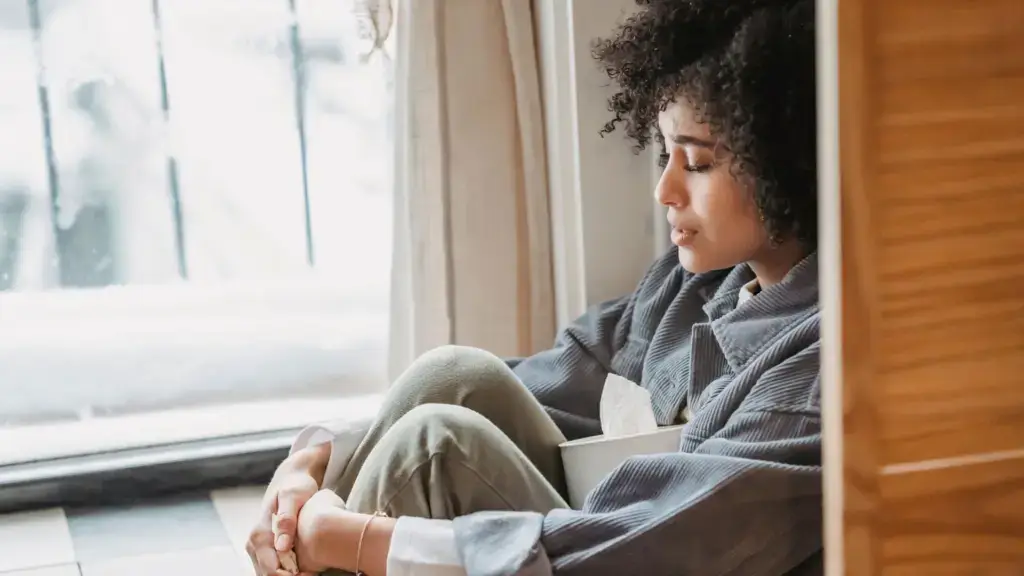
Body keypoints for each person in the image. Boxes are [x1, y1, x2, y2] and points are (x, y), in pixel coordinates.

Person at [247, 0, 821, 574]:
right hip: (605, 536)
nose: (664, 190)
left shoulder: (816, 373)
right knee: (452, 378)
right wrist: (315, 462)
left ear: (785, 162)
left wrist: (354, 538)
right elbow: (547, 378)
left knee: (433, 449)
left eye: (695, 163)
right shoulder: (695, 284)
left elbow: (646, 549)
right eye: (664, 154)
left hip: (633, 559)